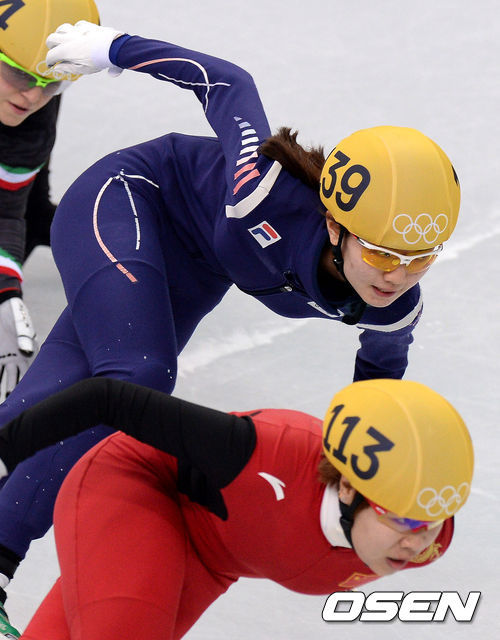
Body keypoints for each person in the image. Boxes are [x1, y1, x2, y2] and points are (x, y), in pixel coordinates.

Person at [0, 21, 461, 632]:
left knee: (60, 387)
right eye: (379, 253)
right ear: (334, 226)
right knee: (138, 374)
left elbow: (373, 404)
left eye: (420, 260)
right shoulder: (263, 190)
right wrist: (113, 49)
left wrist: (362, 482)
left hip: (194, 269)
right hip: (127, 200)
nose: (397, 276)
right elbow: (226, 82)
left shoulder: (393, 308)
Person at [0, 376, 473, 638]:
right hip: (138, 487)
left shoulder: (429, 540)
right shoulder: (259, 453)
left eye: (433, 522)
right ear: (348, 488)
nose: (418, 542)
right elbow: (107, 399)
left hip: (212, 557)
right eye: (404, 519)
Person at [0, 1, 100, 400]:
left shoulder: (33, 117)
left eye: (54, 81)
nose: (33, 95)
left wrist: (5, 294)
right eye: (20, 74)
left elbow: (6, 209)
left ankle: (43, 221)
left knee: (30, 204)